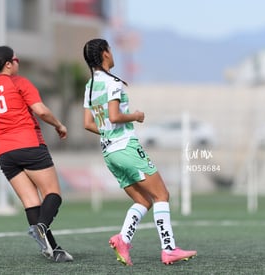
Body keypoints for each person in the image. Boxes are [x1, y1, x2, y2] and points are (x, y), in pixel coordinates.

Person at [82, 38, 197, 266]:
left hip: (109, 153)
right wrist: (135, 116)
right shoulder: (113, 83)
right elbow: (114, 117)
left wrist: (108, 133)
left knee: (143, 200)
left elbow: (87, 123)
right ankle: (169, 249)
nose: (113, 54)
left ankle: (123, 239)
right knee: (161, 196)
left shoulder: (90, 85)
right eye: (111, 50)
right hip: (126, 147)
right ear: (105, 53)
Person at [0, 45, 73, 262]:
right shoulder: (19, 82)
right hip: (28, 144)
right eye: (16, 59)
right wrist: (59, 125)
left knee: (31, 202)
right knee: (53, 194)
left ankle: (53, 249)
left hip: (3, 152)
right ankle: (41, 228)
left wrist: (5, 137)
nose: (18, 62)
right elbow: (40, 110)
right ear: (8, 64)